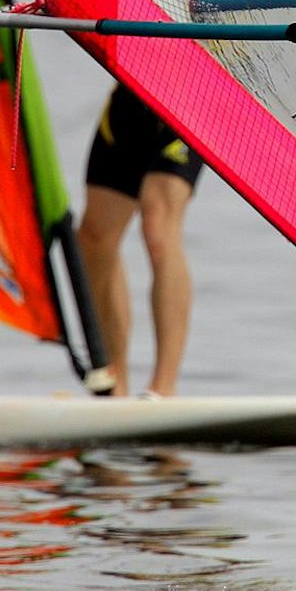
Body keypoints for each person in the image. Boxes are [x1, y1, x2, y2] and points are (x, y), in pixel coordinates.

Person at [76, 84, 204, 398]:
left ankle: (163, 387)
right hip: (133, 92)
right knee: (94, 238)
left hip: (195, 93)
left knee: (158, 226)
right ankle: (115, 384)